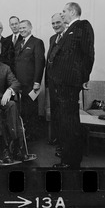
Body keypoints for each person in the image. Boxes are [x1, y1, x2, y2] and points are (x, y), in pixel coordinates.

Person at [46, 2, 95, 168]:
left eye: (64, 11)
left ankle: (71, 162)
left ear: (73, 11)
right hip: (60, 84)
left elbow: (89, 55)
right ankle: (67, 159)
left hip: (69, 84)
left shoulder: (83, 26)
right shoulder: (68, 31)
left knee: (70, 123)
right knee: (66, 122)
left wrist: (84, 77)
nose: (62, 14)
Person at [15, 20, 45, 141]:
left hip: (31, 84)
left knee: (31, 109)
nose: (22, 30)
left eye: (24, 28)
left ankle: (32, 135)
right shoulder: (19, 43)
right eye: (20, 28)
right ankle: (24, 132)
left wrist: (37, 81)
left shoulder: (37, 42)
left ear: (30, 27)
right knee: (21, 109)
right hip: (19, 83)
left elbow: (40, 63)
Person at [44, 13, 67, 158]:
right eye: (53, 23)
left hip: (64, 84)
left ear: (64, 21)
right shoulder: (53, 38)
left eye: (58, 22)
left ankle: (64, 146)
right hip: (52, 84)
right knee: (56, 115)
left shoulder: (69, 38)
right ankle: (59, 141)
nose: (55, 25)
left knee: (64, 116)